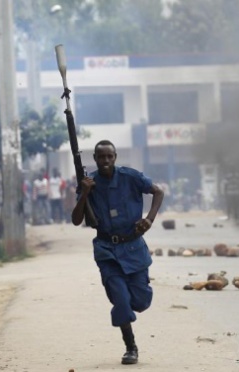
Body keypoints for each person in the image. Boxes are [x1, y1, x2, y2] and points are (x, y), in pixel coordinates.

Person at [71, 140, 164, 365]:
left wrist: (149, 219)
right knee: (121, 301)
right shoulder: (88, 183)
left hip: (133, 248)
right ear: (94, 158)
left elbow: (158, 191)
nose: (105, 161)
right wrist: (84, 193)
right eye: (101, 157)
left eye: (109, 157)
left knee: (140, 301)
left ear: (115, 157)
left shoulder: (130, 177)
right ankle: (130, 347)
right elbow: (76, 220)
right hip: (107, 251)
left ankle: (132, 303)